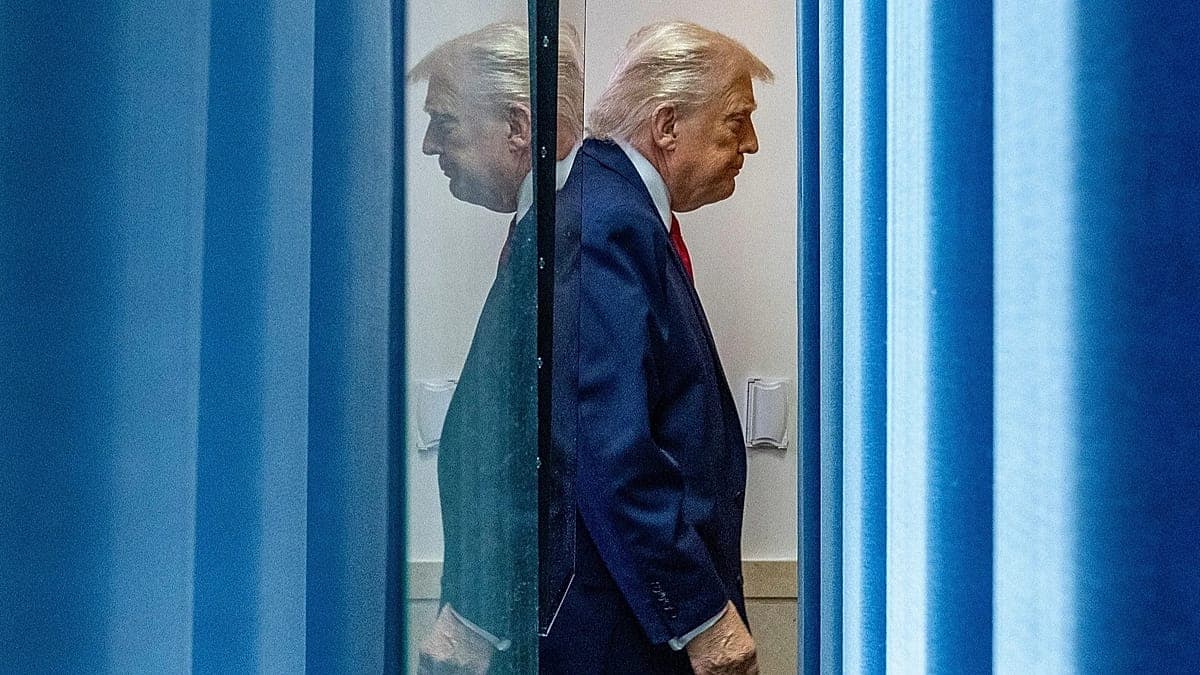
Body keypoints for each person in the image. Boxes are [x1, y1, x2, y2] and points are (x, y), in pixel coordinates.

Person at [539, 22, 773, 675]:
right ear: (667, 124)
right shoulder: (606, 220)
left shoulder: (618, 211)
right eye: (738, 120)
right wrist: (702, 615)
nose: (750, 144)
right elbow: (606, 448)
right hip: (621, 632)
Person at [408, 21, 584, 674]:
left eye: (444, 122)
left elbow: (563, 453)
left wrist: (475, 613)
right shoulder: (545, 229)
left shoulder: (570, 239)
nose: (429, 146)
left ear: (517, 126)